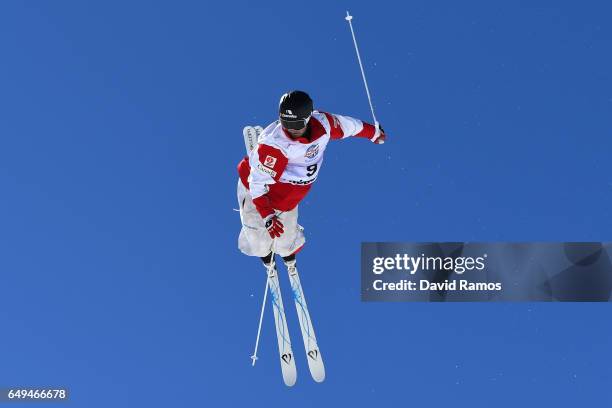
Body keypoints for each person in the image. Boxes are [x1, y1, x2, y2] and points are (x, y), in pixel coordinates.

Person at [236, 90, 386, 272]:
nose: (291, 130)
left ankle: (287, 254)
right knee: (259, 243)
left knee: (286, 243)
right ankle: (266, 256)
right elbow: (257, 184)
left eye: (297, 124)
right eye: (286, 124)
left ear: (308, 119)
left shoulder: (324, 125)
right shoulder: (274, 146)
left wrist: (373, 133)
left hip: (288, 199)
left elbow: (350, 126)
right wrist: (267, 214)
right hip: (259, 192)